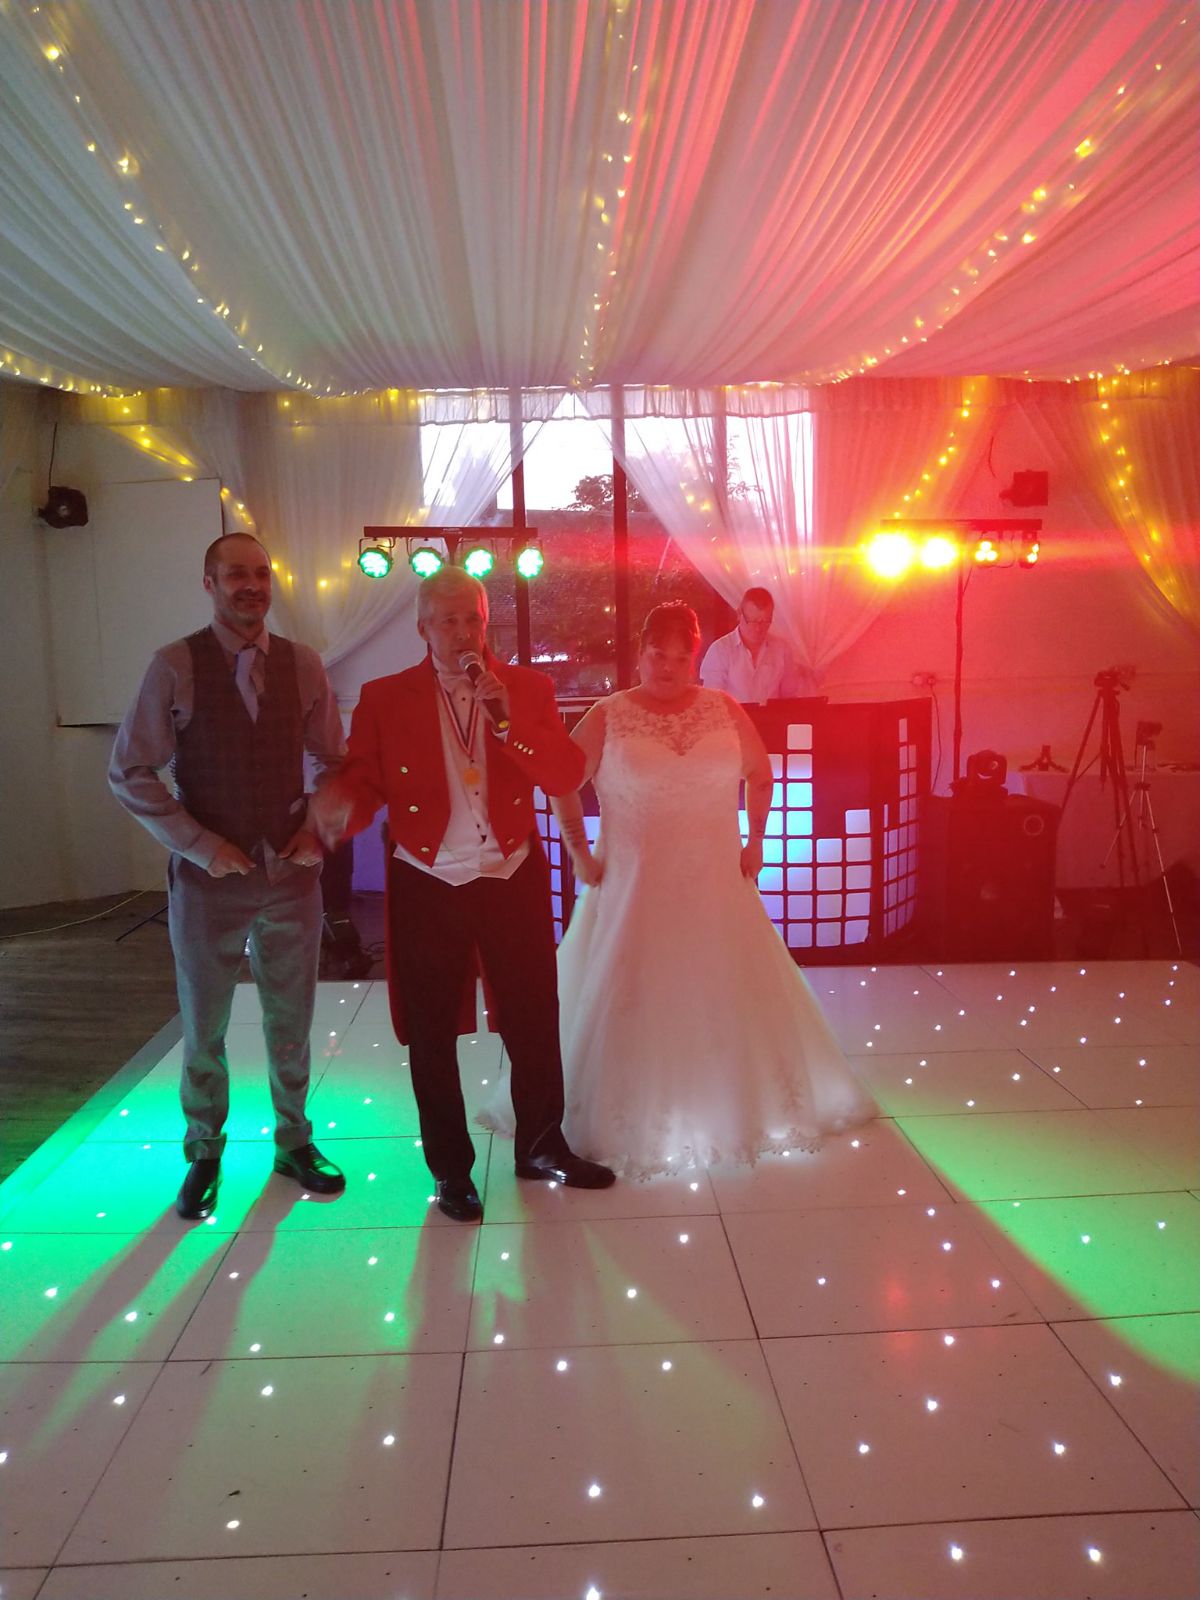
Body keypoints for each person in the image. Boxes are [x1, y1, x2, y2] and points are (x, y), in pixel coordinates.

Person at [484, 602, 874, 1178]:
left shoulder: (723, 707)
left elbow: (760, 773)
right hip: (634, 887)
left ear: (694, 658)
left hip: (716, 881)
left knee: (728, 992)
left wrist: (757, 840)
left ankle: (730, 1105)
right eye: (656, 655)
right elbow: (563, 780)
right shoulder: (608, 714)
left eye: (679, 657)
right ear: (639, 653)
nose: (667, 667)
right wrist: (578, 849)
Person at [313, 568, 614, 1222]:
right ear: (423, 628)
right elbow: (364, 782)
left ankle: (541, 1145)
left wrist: (509, 723)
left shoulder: (526, 689)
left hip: (511, 872)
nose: (461, 633)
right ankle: (451, 1170)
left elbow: (565, 772)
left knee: (533, 1016)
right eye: (447, 621)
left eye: (471, 619)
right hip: (427, 879)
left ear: (486, 624)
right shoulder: (384, 697)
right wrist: (336, 813)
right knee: (431, 1030)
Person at [109, 532, 348, 1220]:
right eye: (236, 574)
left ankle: (294, 1140)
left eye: (261, 573)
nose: (252, 585)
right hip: (207, 883)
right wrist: (196, 843)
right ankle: (204, 1150)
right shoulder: (174, 665)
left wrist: (318, 830)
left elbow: (337, 764)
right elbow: (129, 770)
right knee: (204, 1021)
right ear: (209, 583)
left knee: (291, 1016)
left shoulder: (304, 664)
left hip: (291, 877)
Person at [699, 585, 814, 703]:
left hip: (773, 714)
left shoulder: (782, 649)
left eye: (765, 621)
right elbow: (713, 701)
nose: (758, 628)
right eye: (752, 621)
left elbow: (789, 697)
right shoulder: (720, 650)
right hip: (732, 715)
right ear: (739, 614)